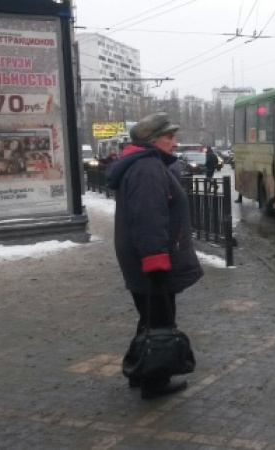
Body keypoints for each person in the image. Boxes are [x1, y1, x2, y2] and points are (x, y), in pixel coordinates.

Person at [105, 112, 204, 400]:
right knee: (160, 320)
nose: (174, 142)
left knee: (150, 317)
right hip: (152, 261)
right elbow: (148, 219)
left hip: (146, 258)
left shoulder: (147, 165)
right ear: (151, 140)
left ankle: (140, 370)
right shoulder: (147, 168)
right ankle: (155, 381)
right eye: (169, 137)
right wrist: (156, 263)